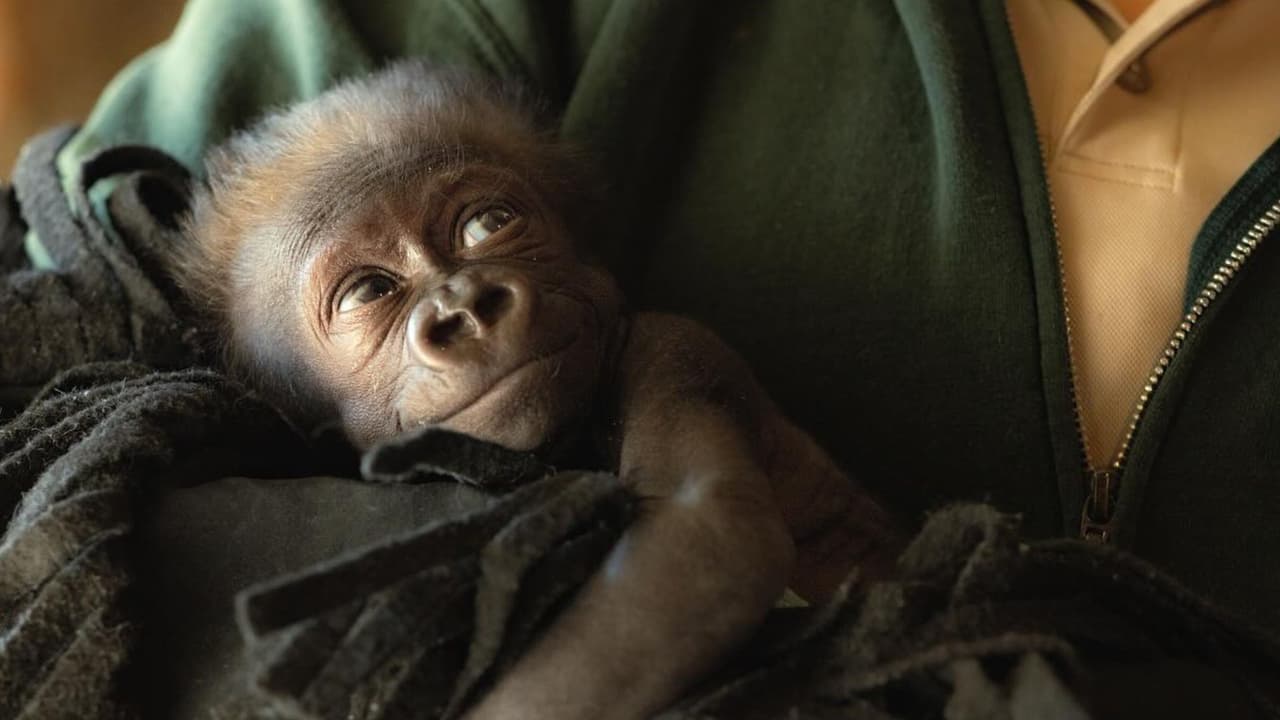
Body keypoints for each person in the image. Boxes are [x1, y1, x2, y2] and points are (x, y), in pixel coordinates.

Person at [43, 0, 1280, 711]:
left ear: (596, 266)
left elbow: (719, 546)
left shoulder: (662, 363)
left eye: (486, 222)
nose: (458, 298)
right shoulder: (276, 439)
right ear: (290, 411)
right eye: (369, 291)